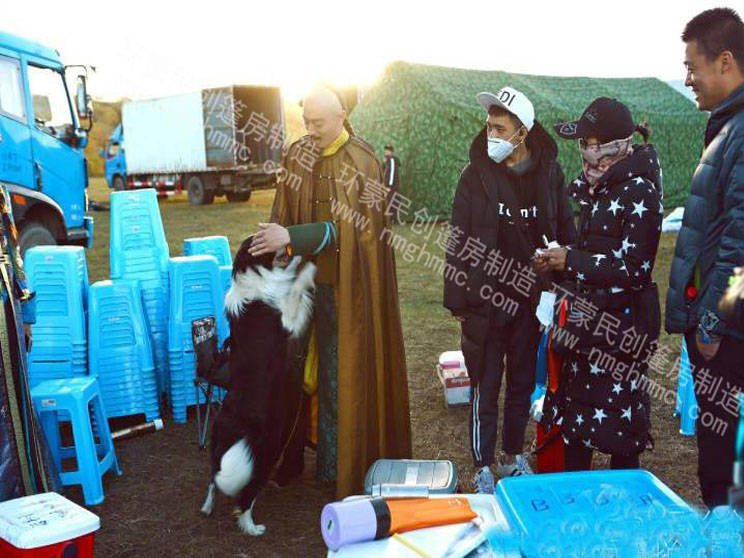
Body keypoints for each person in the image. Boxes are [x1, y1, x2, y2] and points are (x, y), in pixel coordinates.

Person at [248, 85, 412, 498]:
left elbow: (358, 235)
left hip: (346, 292)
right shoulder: (297, 154)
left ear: (341, 115)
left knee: (343, 378)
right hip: (302, 289)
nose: (311, 130)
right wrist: (278, 248)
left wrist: (294, 235)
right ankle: (289, 459)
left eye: (318, 123)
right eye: (306, 122)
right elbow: (281, 212)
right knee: (293, 373)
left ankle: (339, 466)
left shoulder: (364, 162)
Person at [443, 86, 577, 493]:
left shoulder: (550, 174)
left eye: (500, 128)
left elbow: (566, 230)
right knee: (485, 383)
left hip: (531, 300)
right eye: (489, 127)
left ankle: (513, 456)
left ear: (522, 133)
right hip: (485, 301)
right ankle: (483, 465)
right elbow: (459, 238)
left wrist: (562, 278)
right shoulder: (475, 175)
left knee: (521, 382)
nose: (491, 135)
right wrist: (457, 299)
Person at [541, 97, 662, 472]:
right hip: (585, 329)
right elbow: (593, 254)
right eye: (580, 143)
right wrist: (560, 265)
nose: (584, 152)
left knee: (620, 436)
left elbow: (634, 269)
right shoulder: (597, 189)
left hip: (620, 334)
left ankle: (625, 520)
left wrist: (571, 260)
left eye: (589, 143)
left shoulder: (639, 191)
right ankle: (576, 513)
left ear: (610, 146)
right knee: (577, 428)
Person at [665, 7, 744, 509]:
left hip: (729, 330)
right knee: (718, 452)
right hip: (716, 322)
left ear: (726, 62)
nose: (688, 79)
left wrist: (714, 319)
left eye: (692, 67)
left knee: (722, 455)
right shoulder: (725, 127)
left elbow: (742, 243)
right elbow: (710, 231)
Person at [0, 185, 57, 502]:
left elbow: (14, 252)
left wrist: (26, 315)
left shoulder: (1, 193)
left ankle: (23, 490)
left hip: (8, 308)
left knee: (15, 399)